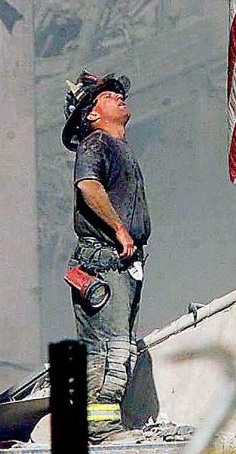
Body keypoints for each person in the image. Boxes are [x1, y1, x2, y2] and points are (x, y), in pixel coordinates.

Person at [61, 71, 151, 444]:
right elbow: (88, 186)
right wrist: (118, 227)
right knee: (108, 347)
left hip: (123, 263)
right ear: (92, 114)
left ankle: (106, 423)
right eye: (108, 96)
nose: (118, 97)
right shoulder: (96, 142)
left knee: (121, 344)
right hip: (103, 259)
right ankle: (99, 428)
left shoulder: (119, 147)